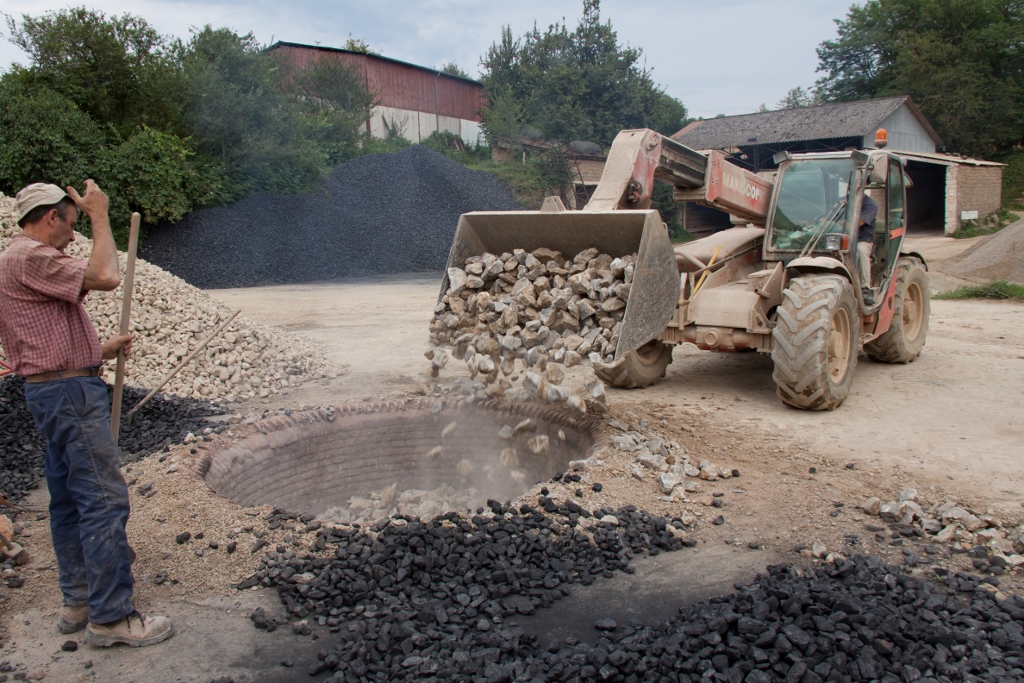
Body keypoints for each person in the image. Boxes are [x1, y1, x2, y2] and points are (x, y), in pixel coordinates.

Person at [0, 181, 172, 647]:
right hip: (69, 394)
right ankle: (112, 617)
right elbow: (106, 276)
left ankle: (78, 599)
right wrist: (99, 215)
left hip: (54, 388)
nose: (72, 237)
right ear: (50, 216)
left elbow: (44, 339)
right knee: (103, 499)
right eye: (69, 225)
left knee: (70, 500)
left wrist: (98, 351)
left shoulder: (18, 262)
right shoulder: (28, 255)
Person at [857, 194, 880, 305]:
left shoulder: (870, 205)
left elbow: (857, 223)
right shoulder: (843, 202)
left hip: (862, 240)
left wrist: (835, 223)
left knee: (860, 250)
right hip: (841, 239)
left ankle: (864, 288)